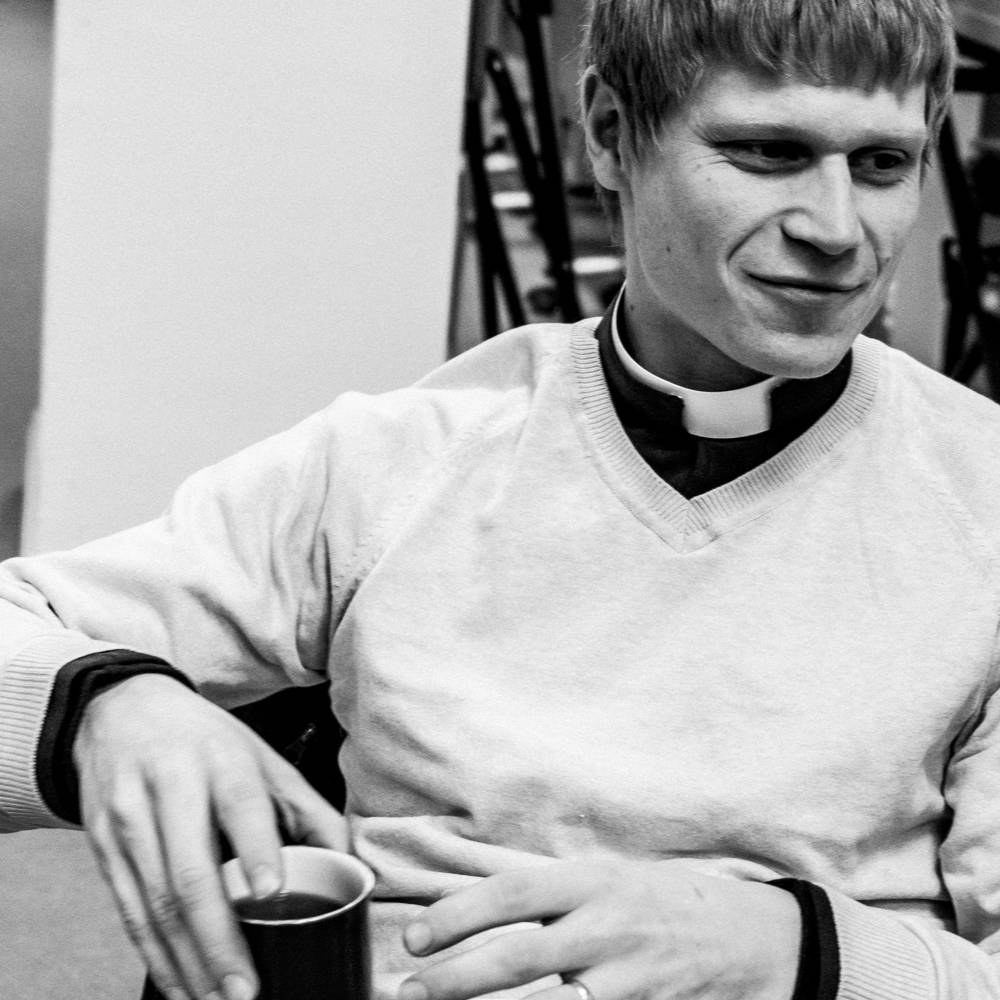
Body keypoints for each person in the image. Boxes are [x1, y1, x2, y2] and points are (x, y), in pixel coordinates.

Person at [0, 1, 994, 998]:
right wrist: (104, 703)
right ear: (610, 132)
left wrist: (801, 947)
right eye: (765, 151)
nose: (836, 229)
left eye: (880, 164)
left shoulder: (978, 497)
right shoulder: (398, 461)